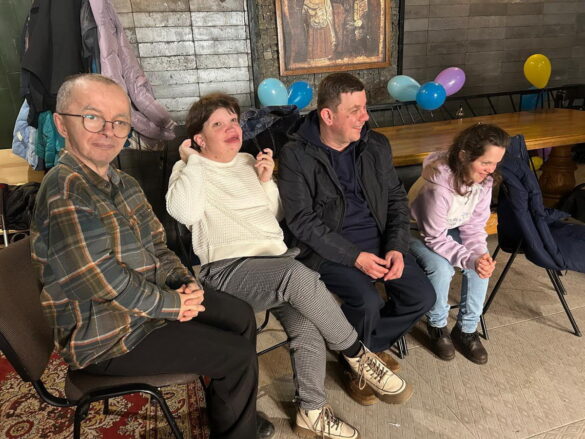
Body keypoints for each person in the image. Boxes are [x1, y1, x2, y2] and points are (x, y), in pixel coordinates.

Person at [30, 74, 274, 439]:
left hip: (144, 309)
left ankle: (229, 412)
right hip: (105, 336)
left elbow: (158, 246)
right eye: (92, 117)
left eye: (119, 121)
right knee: (237, 355)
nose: (108, 131)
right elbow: (105, 280)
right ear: (61, 124)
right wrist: (173, 305)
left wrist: (185, 283)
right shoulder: (64, 191)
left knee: (239, 315)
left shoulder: (122, 182)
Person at [166, 92, 413, 439]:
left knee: (307, 326)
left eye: (234, 120)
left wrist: (266, 181)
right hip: (227, 271)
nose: (231, 127)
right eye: (218, 124)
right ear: (199, 138)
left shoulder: (247, 161)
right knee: (298, 275)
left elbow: (276, 216)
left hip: (274, 265)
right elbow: (185, 213)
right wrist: (192, 161)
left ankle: (311, 411)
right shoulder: (188, 170)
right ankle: (358, 355)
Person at [277, 73, 436, 381]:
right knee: (366, 302)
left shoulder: (375, 145)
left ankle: (361, 351)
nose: (365, 116)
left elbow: (395, 199)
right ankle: (359, 365)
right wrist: (355, 257)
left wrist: (396, 247)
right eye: (355, 110)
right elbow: (302, 221)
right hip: (326, 248)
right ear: (328, 116)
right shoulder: (296, 154)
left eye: (365, 107)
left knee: (422, 297)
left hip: (380, 240)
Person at [409, 123, 509, 365]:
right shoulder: (437, 188)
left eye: (496, 163)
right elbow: (435, 237)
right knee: (441, 269)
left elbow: (473, 227)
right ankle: (437, 325)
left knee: (482, 262)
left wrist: (478, 257)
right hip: (414, 231)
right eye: (486, 162)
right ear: (464, 156)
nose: (491, 170)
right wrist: (468, 258)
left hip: (450, 227)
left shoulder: (484, 180)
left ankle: (467, 329)